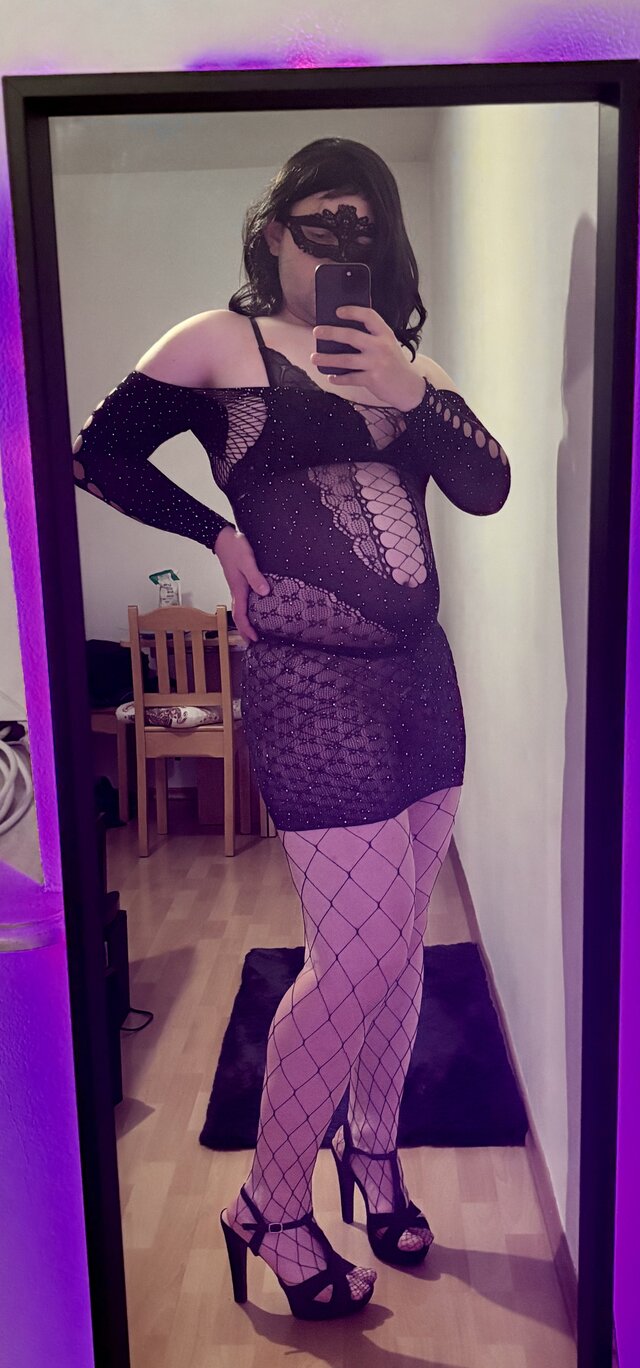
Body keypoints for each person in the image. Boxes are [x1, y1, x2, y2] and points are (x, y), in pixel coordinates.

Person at [71, 136, 511, 1322]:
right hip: (311, 689)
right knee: (354, 955)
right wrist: (214, 533)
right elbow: (97, 455)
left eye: (365, 227)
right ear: (273, 234)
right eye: (322, 223)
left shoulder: (402, 365)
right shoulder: (221, 342)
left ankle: (373, 1155)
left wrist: (411, 392)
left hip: (423, 682)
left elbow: (486, 486)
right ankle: (269, 1203)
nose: (342, 245)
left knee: (401, 946)